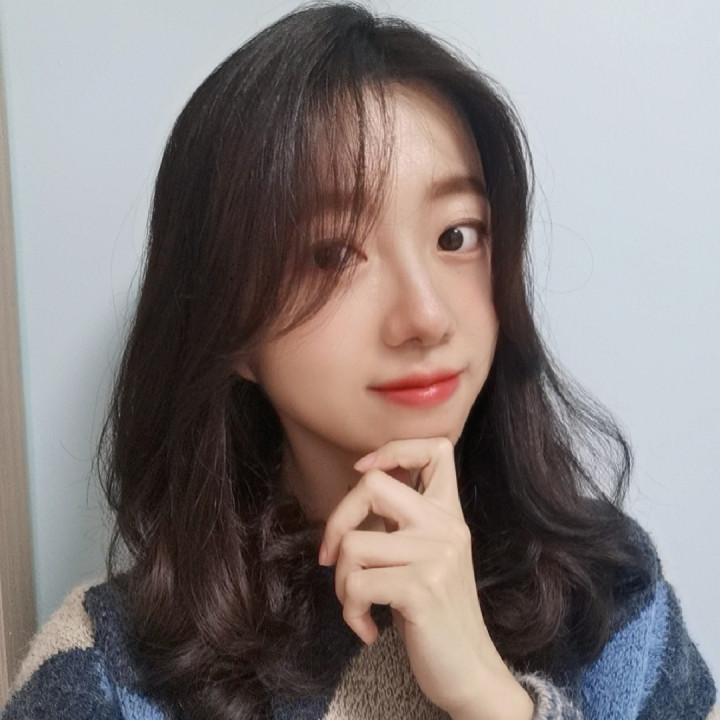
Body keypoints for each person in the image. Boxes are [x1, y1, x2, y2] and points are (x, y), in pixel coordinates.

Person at [2, 3, 716, 719]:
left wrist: (490, 697)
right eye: (332, 254)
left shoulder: (609, 596)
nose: (426, 316)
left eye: (457, 235)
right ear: (229, 322)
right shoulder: (103, 671)